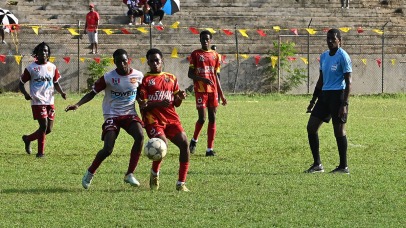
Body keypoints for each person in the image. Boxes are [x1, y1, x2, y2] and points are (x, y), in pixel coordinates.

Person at [65, 49, 145, 189]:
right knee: (108, 149)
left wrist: (142, 102)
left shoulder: (138, 75)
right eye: (118, 61)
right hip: (112, 114)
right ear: (114, 62)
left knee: (139, 136)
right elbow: (92, 93)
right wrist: (77, 104)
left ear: (128, 60)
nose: (122, 64)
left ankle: (130, 174)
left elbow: (139, 93)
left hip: (129, 113)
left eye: (124, 61)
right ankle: (90, 172)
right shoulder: (108, 77)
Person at [138, 48, 190, 192]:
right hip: (153, 119)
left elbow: (175, 103)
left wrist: (179, 97)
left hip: (171, 119)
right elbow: (143, 105)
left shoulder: (171, 78)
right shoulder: (145, 80)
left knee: (185, 144)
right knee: (162, 145)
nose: (155, 63)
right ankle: (155, 173)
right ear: (147, 62)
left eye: (157, 60)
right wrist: (159, 103)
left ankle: (181, 183)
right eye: (151, 61)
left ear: (162, 61)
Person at [305, 28, 352, 174]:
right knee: (311, 127)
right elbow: (321, 80)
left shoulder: (343, 56)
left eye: (333, 38)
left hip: (338, 96)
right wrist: (313, 100)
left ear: (340, 40)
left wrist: (344, 104)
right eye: (328, 38)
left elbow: (348, 81)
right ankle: (317, 164)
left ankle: (343, 166)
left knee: (339, 131)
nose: (330, 41)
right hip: (324, 95)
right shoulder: (324, 56)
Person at [19, 42, 67, 158]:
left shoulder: (52, 67)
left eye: (45, 51)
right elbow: (21, 83)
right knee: (43, 126)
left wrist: (61, 92)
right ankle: (40, 153)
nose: (43, 53)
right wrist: (25, 93)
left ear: (48, 53)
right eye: (41, 51)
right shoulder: (31, 68)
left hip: (50, 101)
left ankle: (28, 138)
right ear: (37, 53)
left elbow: (55, 82)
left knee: (48, 129)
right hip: (37, 101)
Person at [188, 30, 227, 157]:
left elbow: (216, 76)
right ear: (200, 40)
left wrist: (221, 94)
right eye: (203, 39)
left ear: (210, 40)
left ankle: (209, 149)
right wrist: (202, 79)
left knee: (213, 118)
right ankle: (194, 140)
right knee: (202, 118)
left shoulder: (216, 56)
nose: (205, 41)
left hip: (213, 91)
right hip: (200, 91)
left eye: (207, 39)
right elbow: (190, 74)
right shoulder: (195, 54)